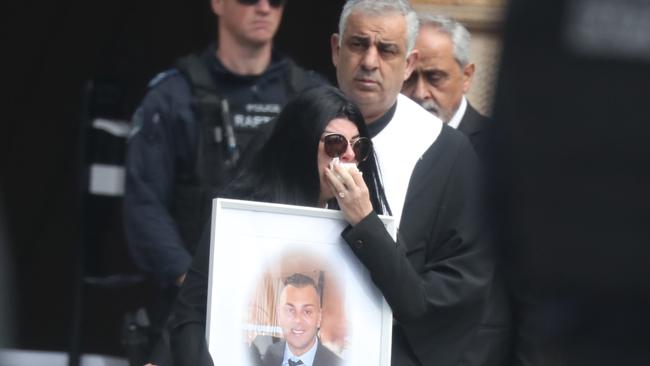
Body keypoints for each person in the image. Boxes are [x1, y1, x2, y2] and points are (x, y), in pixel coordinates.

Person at [123, 0, 326, 358]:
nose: (265, 8)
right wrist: (197, 285)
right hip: (188, 309)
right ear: (217, 3)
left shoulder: (308, 96)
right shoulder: (172, 97)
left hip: (280, 310)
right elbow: (144, 207)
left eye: (275, 0)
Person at [329, 1, 511, 365]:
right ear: (336, 49)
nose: (369, 61)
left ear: (408, 62)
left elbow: (459, 286)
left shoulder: (448, 152)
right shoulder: (290, 126)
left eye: (386, 49)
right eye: (358, 44)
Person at [167, 85, 389, 366]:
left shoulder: (357, 223)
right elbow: (190, 313)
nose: (348, 156)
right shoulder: (242, 216)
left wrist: (366, 220)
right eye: (335, 144)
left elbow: (408, 300)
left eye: (358, 146)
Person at [401, 13, 491, 158]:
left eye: (435, 78)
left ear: (466, 76)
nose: (419, 92)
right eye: (409, 77)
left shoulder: (497, 147)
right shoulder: (376, 136)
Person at [261, 273, 342, 366]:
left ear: (319, 318)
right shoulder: (268, 356)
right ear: (279, 316)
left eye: (307, 312)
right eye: (290, 310)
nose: (297, 320)